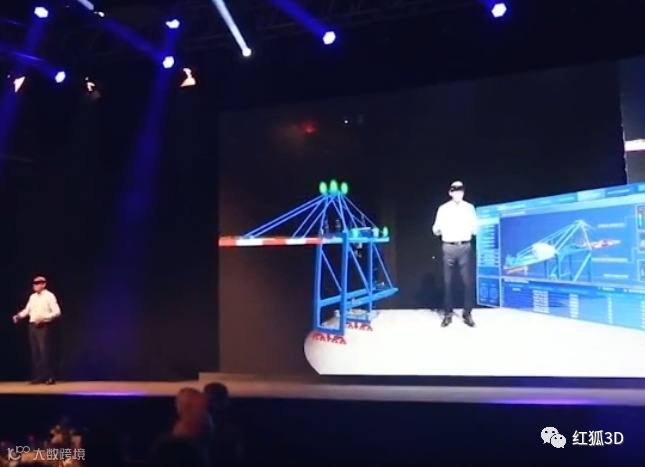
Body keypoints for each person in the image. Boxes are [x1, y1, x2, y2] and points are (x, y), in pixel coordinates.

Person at [432, 181, 478, 328]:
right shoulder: (443, 209)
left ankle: (467, 313)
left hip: (464, 246)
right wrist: (439, 229)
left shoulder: (469, 208)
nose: (458, 193)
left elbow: (475, 228)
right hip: (448, 247)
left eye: (461, 190)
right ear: (450, 192)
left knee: (467, 282)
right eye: (455, 190)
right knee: (447, 282)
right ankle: (448, 314)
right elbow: (436, 228)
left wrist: (471, 229)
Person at [12, 276, 61, 384]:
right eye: (34, 283)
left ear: (44, 284)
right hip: (32, 326)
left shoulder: (49, 296)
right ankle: (38, 377)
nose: (35, 285)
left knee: (44, 351)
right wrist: (18, 316)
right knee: (35, 352)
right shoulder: (32, 297)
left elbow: (57, 311)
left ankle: (49, 377)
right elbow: (27, 310)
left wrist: (44, 317)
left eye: (38, 283)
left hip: (43, 326)